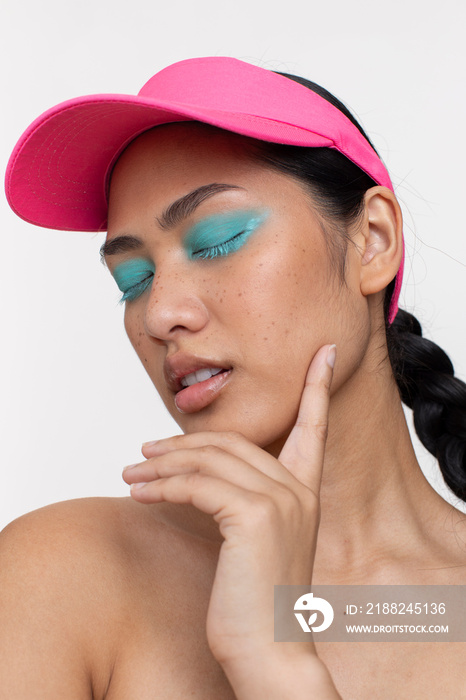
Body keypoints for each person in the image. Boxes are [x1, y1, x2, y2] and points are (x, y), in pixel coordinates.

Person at [2, 56, 465, 699]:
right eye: (132, 281)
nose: (161, 314)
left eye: (216, 241)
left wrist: (274, 660)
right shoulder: (65, 575)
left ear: (375, 240)